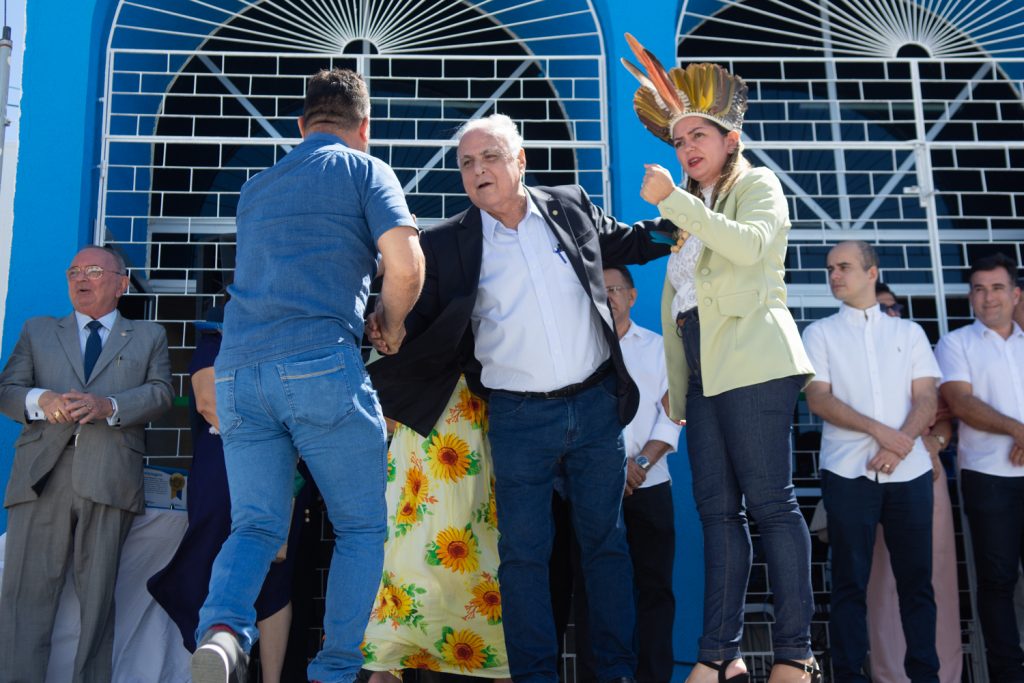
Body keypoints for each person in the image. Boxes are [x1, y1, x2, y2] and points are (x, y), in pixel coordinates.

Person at [367, 112, 672, 683]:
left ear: (521, 161)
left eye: (490, 158)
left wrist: (686, 218)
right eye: (466, 163)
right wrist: (380, 323)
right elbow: (408, 313)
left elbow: (632, 239)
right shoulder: (447, 243)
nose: (477, 171)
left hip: (594, 406)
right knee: (524, 558)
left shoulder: (570, 205)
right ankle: (535, 676)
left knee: (605, 546)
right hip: (517, 417)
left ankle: (616, 674)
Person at [190, 68, 424, 683]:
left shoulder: (257, 187)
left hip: (238, 371)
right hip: (320, 364)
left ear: (300, 126)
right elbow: (406, 264)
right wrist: (390, 324)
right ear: (363, 128)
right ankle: (338, 669)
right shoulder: (364, 169)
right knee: (361, 526)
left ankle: (220, 629)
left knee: (257, 525)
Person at [622, 34, 818, 683]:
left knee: (771, 503)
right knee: (715, 513)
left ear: (730, 137)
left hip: (755, 362)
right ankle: (719, 653)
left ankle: (794, 652)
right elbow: (680, 310)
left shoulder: (757, 185)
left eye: (699, 135)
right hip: (704, 375)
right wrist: (680, 391)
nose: (688, 149)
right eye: (678, 141)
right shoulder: (691, 213)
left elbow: (749, 247)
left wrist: (674, 201)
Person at [0, 245, 173, 682]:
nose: (82, 277)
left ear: (120, 283)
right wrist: (44, 401)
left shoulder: (148, 335)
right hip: (41, 477)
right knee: (25, 598)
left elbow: (160, 394)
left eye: (94, 270)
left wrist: (108, 405)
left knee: (97, 602)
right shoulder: (38, 331)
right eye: (74, 270)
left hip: (110, 477)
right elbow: (8, 390)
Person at [147, 305, 311, 683]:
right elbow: (207, 402)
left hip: (287, 472)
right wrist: (268, 440)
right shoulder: (217, 333)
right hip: (224, 472)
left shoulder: (297, 333)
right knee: (213, 566)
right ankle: (218, 665)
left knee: (276, 579)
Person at [802, 241, 941, 683]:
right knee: (848, 583)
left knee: (917, 583)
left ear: (872, 272)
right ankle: (848, 675)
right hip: (848, 474)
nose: (834, 276)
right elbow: (818, 399)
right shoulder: (819, 333)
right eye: (830, 269)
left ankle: (925, 675)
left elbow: (927, 397)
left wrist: (899, 447)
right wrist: (885, 434)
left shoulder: (910, 333)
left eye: (843, 267)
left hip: (911, 474)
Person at [571, 265, 682, 683]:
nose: (608, 295)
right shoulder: (578, 351)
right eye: (601, 289)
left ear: (632, 297)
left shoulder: (658, 348)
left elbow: (674, 412)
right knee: (592, 591)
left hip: (649, 486)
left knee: (655, 589)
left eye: (615, 288)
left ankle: (653, 676)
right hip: (592, 490)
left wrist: (638, 465)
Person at [360, 375, 510, 680]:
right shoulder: (482, 356)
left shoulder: (410, 343)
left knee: (392, 630)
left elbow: (376, 412)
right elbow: (376, 410)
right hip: (434, 474)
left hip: (454, 472)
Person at [862, 282, 962, 683]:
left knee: (931, 578)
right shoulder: (855, 356)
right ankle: (888, 674)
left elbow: (942, 417)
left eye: (893, 308)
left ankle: (941, 673)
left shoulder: (915, 353)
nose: (889, 315)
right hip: (870, 475)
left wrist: (935, 445)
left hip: (924, 475)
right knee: (880, 582)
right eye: (879, 308)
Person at [935, 253, 1024, 682]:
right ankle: (1008, 674)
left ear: (1016, 294)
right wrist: (1019, 431)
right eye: (979, 289)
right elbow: (961, 403)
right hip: (988, 478)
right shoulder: (956, 343)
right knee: (997, 579)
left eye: (998, 287)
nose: (988, 298)